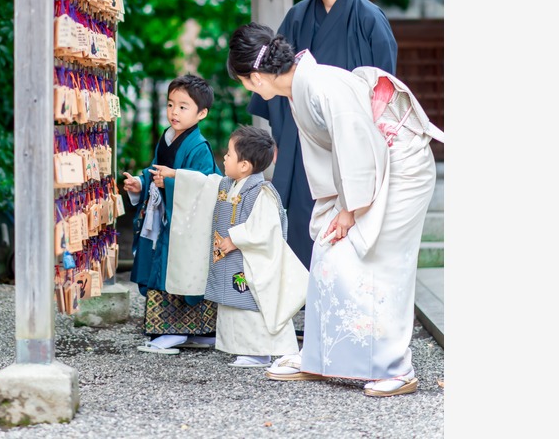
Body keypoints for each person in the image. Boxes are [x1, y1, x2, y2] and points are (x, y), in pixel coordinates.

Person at [227, 22, 443, 398]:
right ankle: (320, 355)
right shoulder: (303, 86)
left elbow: (357, 146)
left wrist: (349, 209)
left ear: (256, 78)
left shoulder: (320, 85)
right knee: (328, 254)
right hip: (373, 169)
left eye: (244, 81)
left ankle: (397, 367)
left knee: (383, 262)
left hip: (401, 167)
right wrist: (339, 207)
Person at [248, 0, 397, 271]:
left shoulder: (369, 20)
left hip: (351, 145)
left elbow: (383, 91)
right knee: (300, 215)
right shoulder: (297, 17)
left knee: (350, 224)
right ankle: (300, 301)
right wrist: (280, 138)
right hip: (302, 137)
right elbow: (275, 79)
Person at [153, 125, 307, 368]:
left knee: (250, 306)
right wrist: (176, 175)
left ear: (244, 165)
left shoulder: (261, 192)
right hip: (229, 259)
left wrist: (236, 238)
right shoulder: (226, 185)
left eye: (228, 154)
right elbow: (203, 183)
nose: (224, 158)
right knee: (232, 304)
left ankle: (259, 352)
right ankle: (242, 348)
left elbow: (267, 227)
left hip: (248, 262)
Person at [122, 74, 220, 355]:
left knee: (181, 271)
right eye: (170, 104)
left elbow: (204, 185)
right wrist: (140, 183)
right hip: (166, 217)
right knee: (163, 269)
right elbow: (155, 170)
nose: (174, 112)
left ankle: (176, 330)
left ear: (201, 113)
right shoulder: (167, 138)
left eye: (183, 106)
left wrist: (174, 182)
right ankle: (188, 330)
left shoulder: (199, 147)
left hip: (185, 225)